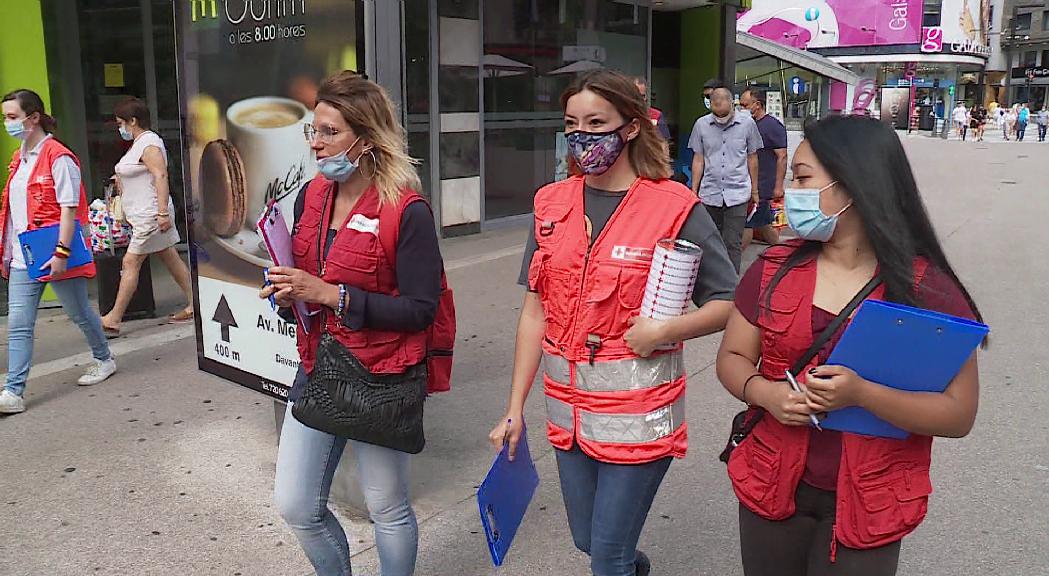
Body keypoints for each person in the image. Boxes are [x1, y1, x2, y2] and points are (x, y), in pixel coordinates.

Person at [493, 69, 737, 576]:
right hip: (569, 417)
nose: (581, 136)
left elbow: (728, 301)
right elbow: (535, 310)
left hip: (641, 417)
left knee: (606, 559)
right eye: (571, 123)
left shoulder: (673, 207)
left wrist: (663, 330)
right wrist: (514, 406)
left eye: (596, 122)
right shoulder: (551, 204)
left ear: (629, 127)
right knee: (589, 541)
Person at [716, 115, 983, 576]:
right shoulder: (773, 269)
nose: (788, 194)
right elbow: (732, 358)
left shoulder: (926, 291)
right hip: (773, 482)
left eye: (801, 179)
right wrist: (766, 394)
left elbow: (958, 414)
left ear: (854, 185)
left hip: (871, 499)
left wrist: (863, 395)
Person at [264, 71, 443, 576]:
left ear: (365, 139)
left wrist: (332, 295)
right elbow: (305, 278)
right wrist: (286, 291)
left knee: (387, 507)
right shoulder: (309, 198)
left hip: (382, 374)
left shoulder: (405, 211)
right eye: (313, 131)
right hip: (319, 365)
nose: (316, 145)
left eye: (329, 132)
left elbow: (421, 309)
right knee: (297, 505)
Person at [0, 89, 116, 414]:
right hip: (26, 256)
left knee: (79, 313)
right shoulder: (19, 157)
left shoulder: (59, 157)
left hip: (54, 253)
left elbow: (70, 209)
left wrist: (63, 252)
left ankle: (104, 358)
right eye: (5, 118)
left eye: (12, 117)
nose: (7, 123)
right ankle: (13, 392)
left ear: (33, 117)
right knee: (19, 324)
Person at [100, 97, 194, 335]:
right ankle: (196, 303)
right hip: (146, 215)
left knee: (131, 262)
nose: (121, 128)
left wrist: (162, 212)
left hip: (151, 216)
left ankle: (114, 317)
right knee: (170, 257)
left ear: (133, 121)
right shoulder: (140, 143)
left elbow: (160, 176)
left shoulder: (149, 143)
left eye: (122, 123)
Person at [689, 86, 762, 272]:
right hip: (709, 192)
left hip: (737, 192)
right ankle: (712, 283)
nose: (720, 119)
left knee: (732, 243)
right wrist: (693, 192)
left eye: (724, 115)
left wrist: (755, 190)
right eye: (716, 114)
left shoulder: (747, 124)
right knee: (709, 241)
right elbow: (698, 159)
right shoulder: (701, 125)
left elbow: (752, 158)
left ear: (732, 103)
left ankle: (730, 288)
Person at [739, 88, 785, 251]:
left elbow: (782, 156)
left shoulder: (772, 126)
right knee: (764, 223)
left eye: (745, 105)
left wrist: (778, 186)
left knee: (748, 223)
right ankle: (783, 251)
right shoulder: (746, 124)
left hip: (762, 185)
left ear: (757, 105)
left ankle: (735, 258)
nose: (741, 109)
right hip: (749, 181)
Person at [634, 76, 671, 141]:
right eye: (636, 95)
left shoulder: (657, 115)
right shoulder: (621, 115)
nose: (640, 99)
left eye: (642, 96)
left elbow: (664, 143)